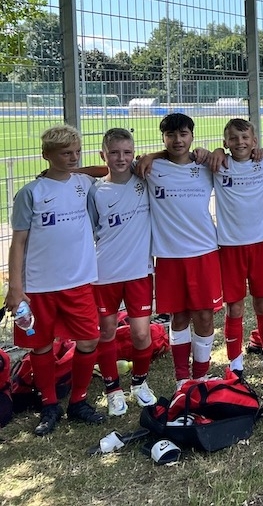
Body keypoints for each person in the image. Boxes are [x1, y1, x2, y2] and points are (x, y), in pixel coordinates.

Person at [4, 125, 105, 435]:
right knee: (41, 345)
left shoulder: (83, 183)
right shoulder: (31, 192)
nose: (73, 157)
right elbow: (18, 242)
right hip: (39, 286)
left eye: (77, 152)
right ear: (46, 155)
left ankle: (79, 401)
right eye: (65, 153)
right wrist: (15, 287)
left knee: (89, 340)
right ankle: (49, 404)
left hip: (79, 282)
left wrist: (76, 169)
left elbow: (107, 169)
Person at [142, 113, 222, 387]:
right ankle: (181, 379)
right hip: (169, 256)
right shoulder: (151, 168)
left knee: (205, 316)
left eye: (183, 134)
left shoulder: (205, 166)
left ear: (192, 136)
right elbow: (112, 169)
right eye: (171, 135)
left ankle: (200, 376)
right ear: (163, 138)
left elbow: (234, 156)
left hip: (204, 252)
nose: (178, 140)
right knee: (179, 316)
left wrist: (217, 150)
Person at [213, 118, 263, 385]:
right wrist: (215, 152)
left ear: (255, 141)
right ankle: (235, 366)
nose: (240, 143)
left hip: (262, 244)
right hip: (230, 247)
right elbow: (188, 155)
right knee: (234, 307)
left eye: (245, 138)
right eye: (233, 138)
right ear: (225, 142)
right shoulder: (217, 164)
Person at [88, 128, 157, 416]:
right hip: (105, 273)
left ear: (134, 154)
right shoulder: (95, 191)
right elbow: (91, 230)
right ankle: (113, 390)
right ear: (103, 155)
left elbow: (166, 158)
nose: (121, 158)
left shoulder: (145, 179)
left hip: (139, 271)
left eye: (127, 152)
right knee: (106, 332)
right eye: (114, 153)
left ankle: (139, 383)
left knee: (141, 333)